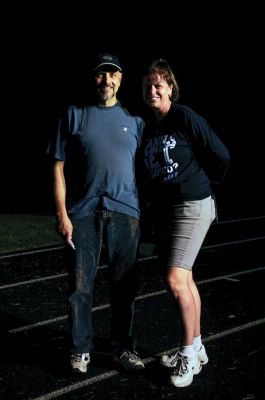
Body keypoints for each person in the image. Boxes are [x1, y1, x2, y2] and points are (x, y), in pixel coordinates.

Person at [47, 52, 145, 373]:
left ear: (120, 79)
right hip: (83, 213)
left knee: (124, 286)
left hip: (125, 212)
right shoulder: (75, 116)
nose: (106, 80)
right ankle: (80, 349)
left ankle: (123, 349)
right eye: (101, 74)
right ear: (94, 79)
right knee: (80, 287)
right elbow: (57, 168)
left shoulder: (135, 122)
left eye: (112, 74)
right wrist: (62, 214)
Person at [140, 58, 230, 387]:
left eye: (159, 84)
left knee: (176, 279)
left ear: (170, 89)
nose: (153, 89)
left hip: (194, 204)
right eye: (148, 85)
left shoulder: (183, 116)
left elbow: (220, 154)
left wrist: (205, 184)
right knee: (185, 279)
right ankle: (198, 344)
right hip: (172, 209)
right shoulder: (150, 126)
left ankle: (188, 356)